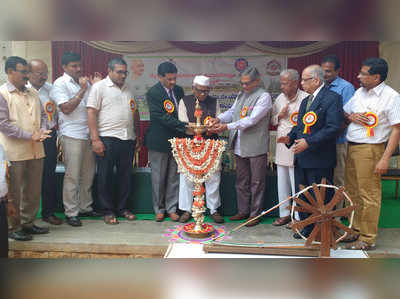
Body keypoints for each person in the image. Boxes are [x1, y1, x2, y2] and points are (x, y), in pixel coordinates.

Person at [277, 65, 343, 239]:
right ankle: (307, 227)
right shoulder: (306, 100)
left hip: (320, 158)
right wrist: (289, 138)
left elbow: (333, 127)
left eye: (305, 80)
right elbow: (300, 126)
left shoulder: (332, 98)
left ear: (316, 80)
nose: (301, 83)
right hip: (302, 157)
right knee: (303, 195)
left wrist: (309, 142)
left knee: (320, 197)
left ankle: (323, 229)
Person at [343, 58, 400, 250]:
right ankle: (355, 230)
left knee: (369, 195)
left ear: (376, 77)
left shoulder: (391, 97)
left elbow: (396, 129)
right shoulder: (360, 92)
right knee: (352, 193)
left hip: (371, 149)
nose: (358, 76)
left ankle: (367, 238)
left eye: (363, 74)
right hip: (351, 146)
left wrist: (384, 158)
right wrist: (351, 116)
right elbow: (346, 113)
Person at [208, 67, 272, 227]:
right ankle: (243, 211)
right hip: (239, 144)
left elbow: (251, 120)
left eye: (247, 83)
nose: (244, 86)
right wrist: (218, 119)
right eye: (242, 83)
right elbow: (232, 111)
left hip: (256, 146)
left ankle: (255, 214)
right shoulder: (241, 94)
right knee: (241, 180)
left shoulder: (264, 97)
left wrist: (226, 127)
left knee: (257, 182)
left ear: (257, 81)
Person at [0, 56, 51, 241]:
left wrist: (44, 129)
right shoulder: (2, 93)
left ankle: (28, 223)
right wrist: (31, 136)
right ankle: (14, 227)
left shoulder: (33, 92)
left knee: (33, 190)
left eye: (28, 72)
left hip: (36, 150)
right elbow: (3, 124)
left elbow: (44, 114)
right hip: (14, 152)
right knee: (13, 192)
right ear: (10, 71)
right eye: (23, 72)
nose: (27, 76)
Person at [50, 52, 102, 227]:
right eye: (74, 66)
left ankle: (85, 207)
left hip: (89, 134)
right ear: (64, 67)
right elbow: (66, 108)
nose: (78, 69)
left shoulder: (84, 82)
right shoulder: (59, 83)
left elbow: (92, 107)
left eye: (79, 65)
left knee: (88, 174)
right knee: (72, 175)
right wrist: (83, 90)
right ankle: (71, 212)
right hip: (72, 134)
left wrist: (94, 87)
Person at [87, 58, 140, 225]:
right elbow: (91, 113)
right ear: (109, 71)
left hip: (128, 138)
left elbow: (134, 112)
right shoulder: (99, 87)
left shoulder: (129, 88)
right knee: (105, 176)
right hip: (107, 138)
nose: (123, 75)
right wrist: (95, 139)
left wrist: (137, 135)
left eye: (125, 72)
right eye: (119, 72)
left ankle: (123, 208)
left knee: (125, 176)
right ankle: (107, 210)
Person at [177, 75, 224, 224]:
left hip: (210, 145)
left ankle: (214, 209)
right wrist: (203, 129)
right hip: (190, 145)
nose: (203, 94)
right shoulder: (184, 101)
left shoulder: (214, 102)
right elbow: (184, 126)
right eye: (200, 91)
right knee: (187, 177)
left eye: (206, 91)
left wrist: (210, 128)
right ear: (193, 88)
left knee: (213, 176)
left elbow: (218, 123)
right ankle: (186, 210)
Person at [145, 61, 188, 222]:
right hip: (159, 141)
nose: (173, 82)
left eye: (174, 78)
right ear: (160, 77)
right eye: (169, 79)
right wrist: (184, 126)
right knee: (158, 177)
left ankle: (171, 208)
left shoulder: (178, 90)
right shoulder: (153, 93)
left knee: (173, 177)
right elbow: (161, 117)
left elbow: (183, 112)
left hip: (177, 141)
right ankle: (159, 208)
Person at [271, 69, 308, 228]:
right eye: (281, 83)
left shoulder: (306, 98)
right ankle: (284, 214)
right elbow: (272, 120)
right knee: (282, 182)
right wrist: (279, 115)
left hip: (298, 144)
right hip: (281, 144)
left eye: (285, 83)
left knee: (297, 182)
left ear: (294, 83)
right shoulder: (279, 98)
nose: (282, 87)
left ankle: (299, 218)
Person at [27, 59, 63, 226]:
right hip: (26, 138)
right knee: (28, 177)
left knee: (49, 175)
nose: (43, 76)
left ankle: (48, 212)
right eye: (39, 73)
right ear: (29, 73)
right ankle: (26, 218)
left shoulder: (51, 89)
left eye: (45, 73)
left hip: (48, 135)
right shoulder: (23, 90)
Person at [321, 55, 355, 188]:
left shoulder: (346, 87)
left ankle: (339, 209)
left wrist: (330, 134)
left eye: (328, 71)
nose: (325, 74)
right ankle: (324, 209)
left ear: (337, 71)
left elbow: (347, 117)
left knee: (338, 178)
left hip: (338, 141)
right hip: (321, 141)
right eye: (323, 70)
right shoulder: (319, 85)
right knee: (323, 179)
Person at [0, 143, 16, 257]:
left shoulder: (0, 147)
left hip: (1, 203)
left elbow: (6, 175)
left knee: (3, 249)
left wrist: (9, 201)